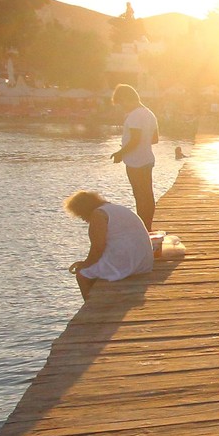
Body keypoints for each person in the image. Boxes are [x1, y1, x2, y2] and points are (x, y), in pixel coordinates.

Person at [65, 189, 154, 299]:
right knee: (93, 267)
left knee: (82, 274)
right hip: (144, 262)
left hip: (129, 263)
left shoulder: (98, 214)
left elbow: (98, 248)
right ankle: (97, 297)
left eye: (80, 215)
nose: (83, 219)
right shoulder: (117, 209)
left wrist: (85, 264)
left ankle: (90, 306)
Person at [110, 84, 158, 228]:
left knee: (140, 196)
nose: (121, 107)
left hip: (135, 162)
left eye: (120, 103)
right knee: (148, 195)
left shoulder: (135, 115)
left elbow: (135, 139)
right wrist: (139, 143)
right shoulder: (149, 113)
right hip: (147, 158)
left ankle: (143, 228)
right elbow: (155, 139)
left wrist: (120, 152)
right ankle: (147, 226)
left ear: (126, 98)